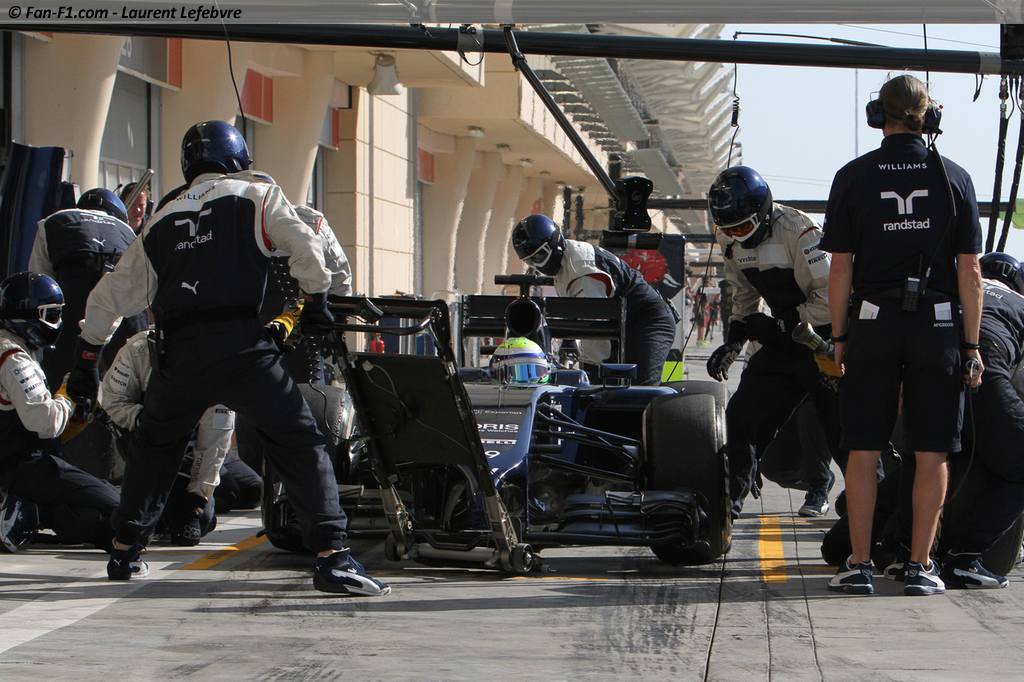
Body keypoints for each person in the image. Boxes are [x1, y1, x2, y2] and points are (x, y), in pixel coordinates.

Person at [65, 120, 389, 596]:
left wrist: (86, 359)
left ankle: (125, 550)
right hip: (244, 347)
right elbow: (308, 248)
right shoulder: (258, 194)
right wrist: (316, 301)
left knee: (155, 450)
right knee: (299, 442)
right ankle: (332, 557)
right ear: (237, 158)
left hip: (177, 354)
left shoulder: (160, 220)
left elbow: (109, 297)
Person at [822, 74, 984, 597]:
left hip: (872, 321)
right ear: (929, 117)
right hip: (938, 323)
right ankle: (920, 567)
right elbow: (971, 272)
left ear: (878, 116)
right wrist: (971, 346)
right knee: (933, 450)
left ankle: (859, 565)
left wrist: (840, 337)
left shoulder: (852, 176)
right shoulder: (955, 177)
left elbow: (840, 269)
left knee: (864, 447)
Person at [705, 165, 838, 519]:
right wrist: (734, 340)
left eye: (742, 228)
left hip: (824, 342)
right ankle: (727, 504)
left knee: (844, 434)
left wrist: (781, 324)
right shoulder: (730, 239)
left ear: (762, 215)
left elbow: (831, 299)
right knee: (741, 416)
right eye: (728, 229)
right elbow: (744, 294)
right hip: (781, 342)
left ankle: (872, 508)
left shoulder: (801, 231)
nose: (736, 235)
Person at [100, 328, 261, 545]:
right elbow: (112, 401)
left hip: (197, 444)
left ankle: (175, 500)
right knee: (155, 516)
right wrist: (148, 421)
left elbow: (215, 441)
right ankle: (134, 494)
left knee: (246, 492)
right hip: (149, 441)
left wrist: (197, 498)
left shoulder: (220, 363)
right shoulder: (138, 350)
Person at [0, 272, 118, 552]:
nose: (58, 322)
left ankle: (31, 511)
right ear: (26, 314)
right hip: (21, 466)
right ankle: (24, 511)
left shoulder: (14, 348)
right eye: (52, 314)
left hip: (16, 461)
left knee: (94, 512)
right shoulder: (12, 357)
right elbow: (45, 422)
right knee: (122, 514)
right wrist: (68, 394)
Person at [937, 252, 1024, 589]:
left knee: (929, 459)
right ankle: (964, 557)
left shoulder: (954, 287)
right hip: (983, 369)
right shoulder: (1018, 303)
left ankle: (886, 544)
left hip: (928, 367)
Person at [510, 215, 676, 386]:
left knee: (642, 388)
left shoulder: (581, 270)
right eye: (530, 262)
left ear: (554, 244)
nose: (539, 266)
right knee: (622, 387)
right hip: (625, 322)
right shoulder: (567, 261)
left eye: (539, 257)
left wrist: (590, 373)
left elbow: (596, 333)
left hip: (648, 320)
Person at [29, 188, 148, 387]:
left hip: (73, 297)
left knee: (65, 377)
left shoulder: (52, 222)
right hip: (121, 303)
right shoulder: (127, 231)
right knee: (132, 380)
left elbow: (39, 283)